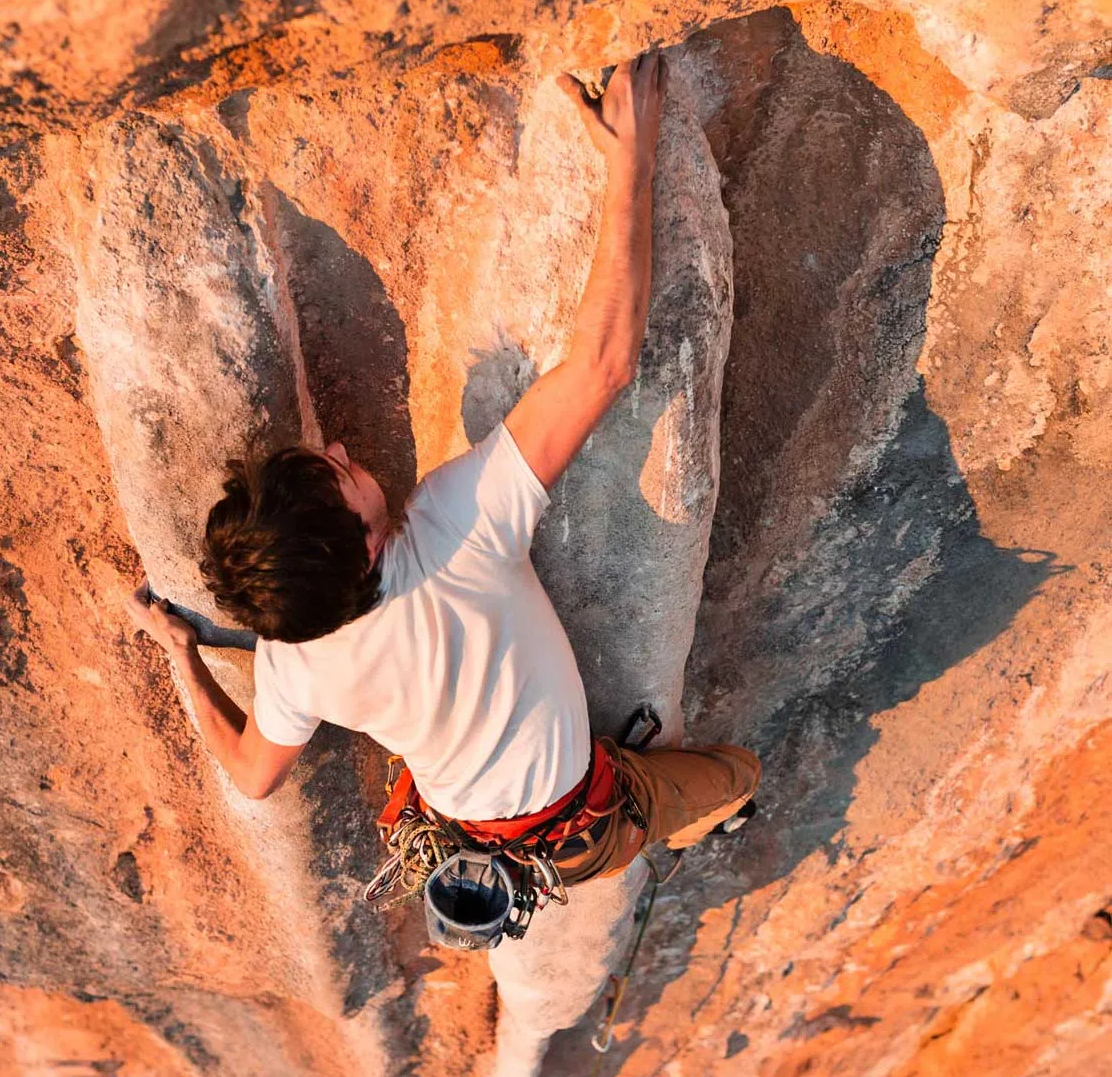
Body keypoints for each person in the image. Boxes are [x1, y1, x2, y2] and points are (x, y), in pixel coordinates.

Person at [126, 52, 760, 890]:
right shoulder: (455, 530)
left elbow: (253, 774)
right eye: (340, 477)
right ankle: (689, 817)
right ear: (358, 549)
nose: (349, 455)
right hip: (586, 823)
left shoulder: (291, 659)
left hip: (477, 831)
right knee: (736, 774)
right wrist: (629, 162)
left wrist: (183, 654)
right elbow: (604, 365)